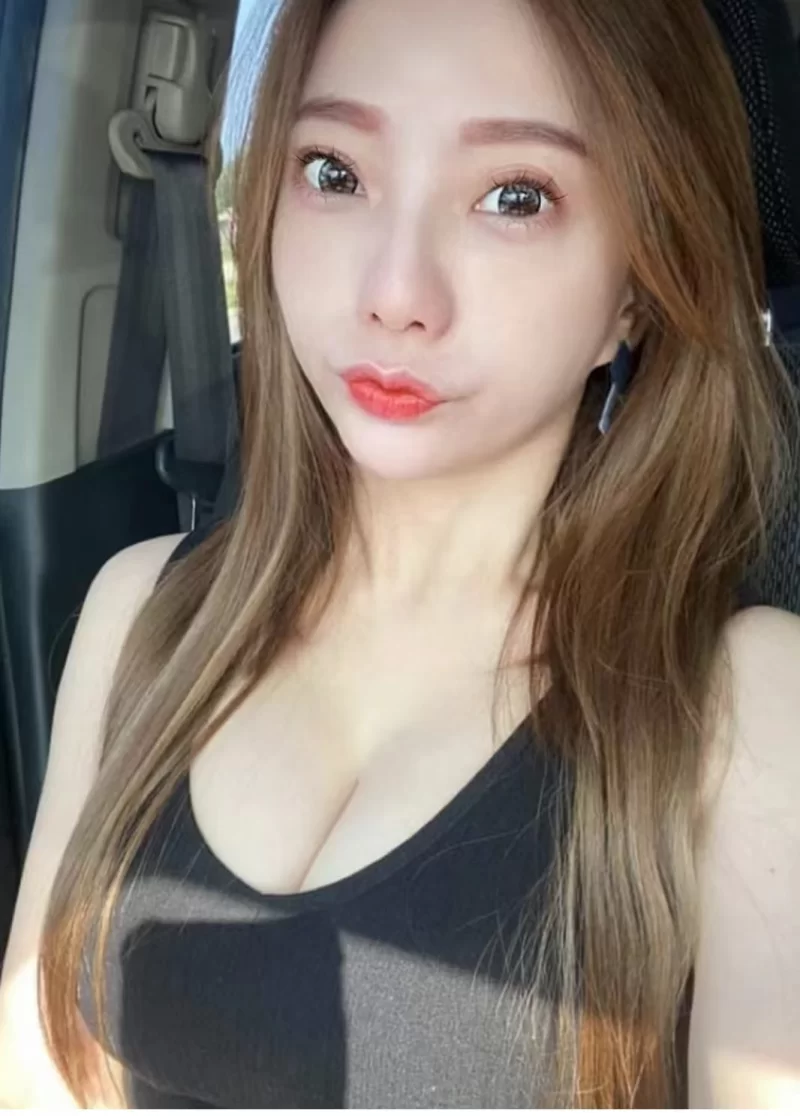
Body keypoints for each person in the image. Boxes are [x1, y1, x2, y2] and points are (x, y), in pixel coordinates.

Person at [1, 0, 799, 1107]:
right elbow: (37, 1072)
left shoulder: (745, 707)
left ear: (635, 285)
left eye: (514, 196)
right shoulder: (139, 611)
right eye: (334, 172)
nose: (394, 295)